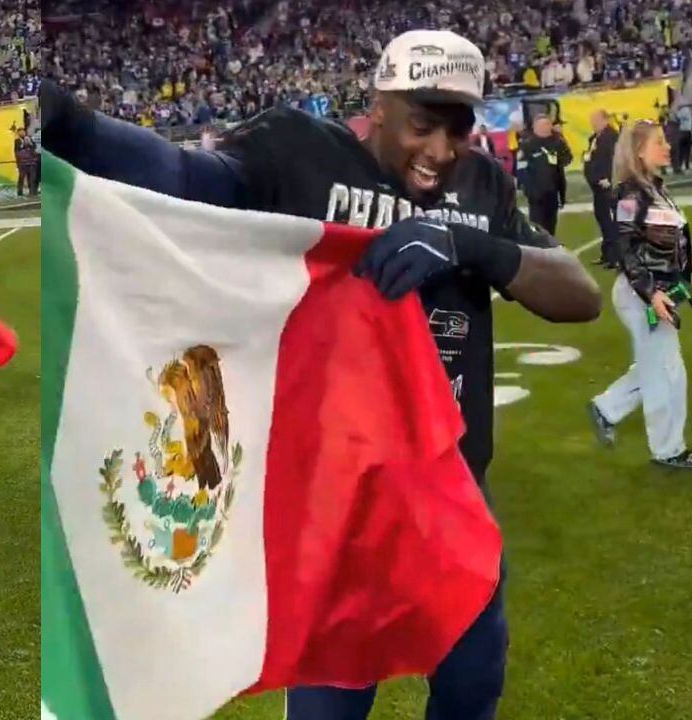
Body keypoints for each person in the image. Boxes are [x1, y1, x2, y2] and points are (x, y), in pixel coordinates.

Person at [42, 28, 600, 720]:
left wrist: (469, 245)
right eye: (423, 126)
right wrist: (71, 123)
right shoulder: (300, 154)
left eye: (457, 131)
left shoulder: (480, 182)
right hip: (336, 510)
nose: (438, 152)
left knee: (473, 682)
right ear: (379, 103)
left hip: (449, 491)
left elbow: (579, 294)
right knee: (331, 704)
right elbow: (185, 177)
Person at [588, 120, 692, 469]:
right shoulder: (631, 194)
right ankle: (668, 450)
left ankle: (606, 408)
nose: (666, 146)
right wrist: (651, 294)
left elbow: (678, 245)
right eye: (659, 142)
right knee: (666, 370)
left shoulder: (656, 189)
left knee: (659, 365)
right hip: (641, 293)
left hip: (662, 290)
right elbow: (625, 247)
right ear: (639, 151)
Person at [518, 114, 572, 234]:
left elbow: (568, 159)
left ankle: (550, 250)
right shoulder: (527, 145)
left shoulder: (557, 142)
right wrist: (530, 192)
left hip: (553, 193)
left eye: (548, 125)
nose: (546, 127)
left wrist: (560, 137)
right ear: (535, 127)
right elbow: (521, 171)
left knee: (551, 227)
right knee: (538, 228)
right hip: (536, 195)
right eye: (542, 125)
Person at [585, 109, 620, 267]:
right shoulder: (594, 138)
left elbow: (614, 159)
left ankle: (614, 257)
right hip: (596, 187)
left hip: (606, 186)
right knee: (602, 219)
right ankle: (606, 254)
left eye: (596, 120)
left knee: (610, 221)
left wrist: (609, 178)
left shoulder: (611, 136)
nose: (593, 124)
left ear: (605, 120)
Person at [14, 126, 39, 196]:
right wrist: (18, 163)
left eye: (23, 131)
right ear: (18, 133)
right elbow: (16, 151)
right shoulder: (17, 141)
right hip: (22, 162)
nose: (22, 133)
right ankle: (20, 192)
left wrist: (30, 142)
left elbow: (34, 147)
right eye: (20, 131)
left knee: (31, 177)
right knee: (21, 177)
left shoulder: (29, 138)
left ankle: (32, 191)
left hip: (31, 161)